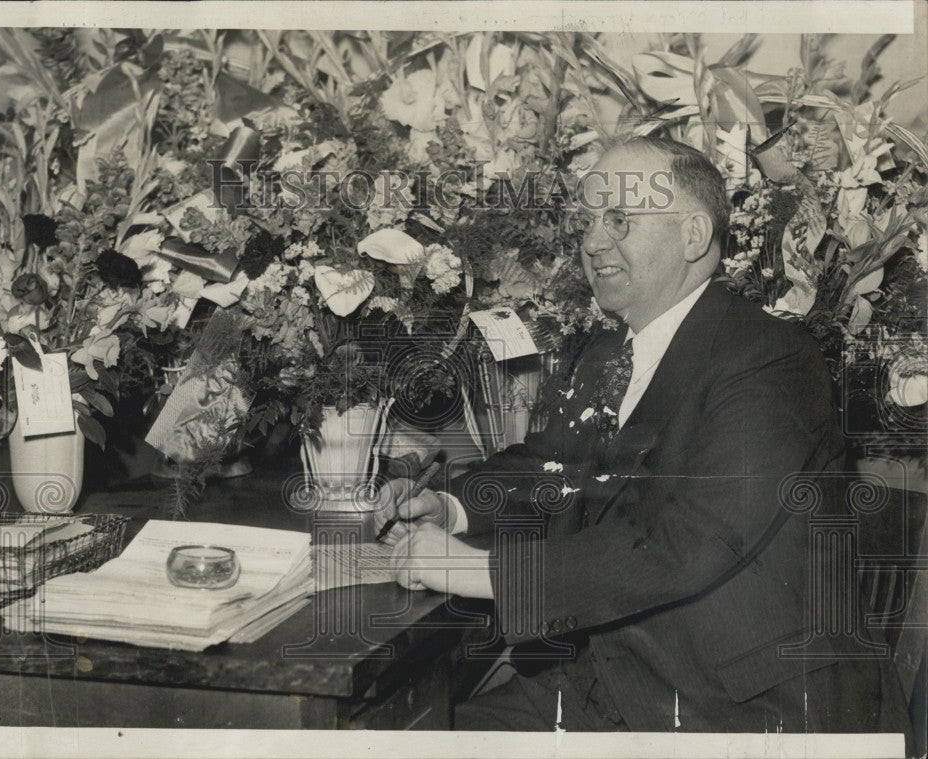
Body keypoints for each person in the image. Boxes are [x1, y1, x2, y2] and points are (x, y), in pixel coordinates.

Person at [373, 136, 912, 736]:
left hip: (742, 712)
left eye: (620, 220)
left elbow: (687, 543)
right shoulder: (607, 353)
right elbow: (547, 465)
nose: (592, 241)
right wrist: (449, 508)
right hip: (604, 688)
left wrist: (474, 570)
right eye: (589, 222)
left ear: (692, 236)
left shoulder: (770, 357)